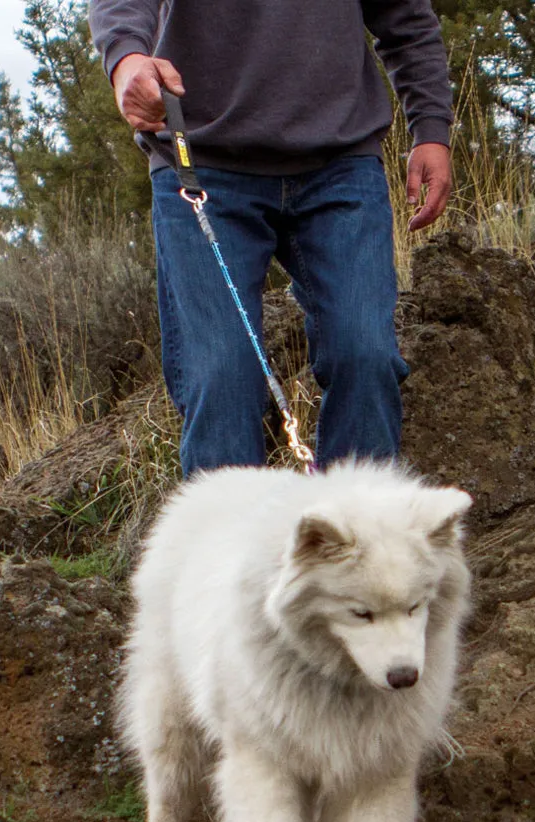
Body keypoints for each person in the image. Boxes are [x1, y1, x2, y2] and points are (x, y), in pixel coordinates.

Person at [89, 1, 453, 478]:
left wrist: (431, 128)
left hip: (342, 164)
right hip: (201, 166)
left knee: (365, 356)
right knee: (222, 378)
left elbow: (405, 17)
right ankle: (227, 552)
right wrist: (126, 58)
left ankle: (352, 546)